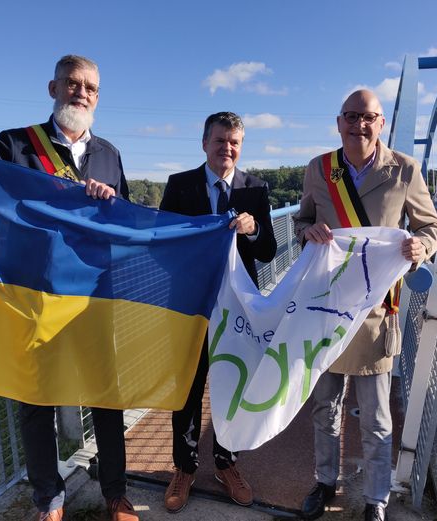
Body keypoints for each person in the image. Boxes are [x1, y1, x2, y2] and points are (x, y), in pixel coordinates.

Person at [0, 55, 136, 521]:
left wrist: (110, 204)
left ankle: (115, 491)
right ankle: (49, 499)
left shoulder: (109, 154)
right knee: (37, 399)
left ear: (98, 96)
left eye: (90, 87)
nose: (80, 92)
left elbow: (125, 219)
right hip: (35, 294)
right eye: (72, 83)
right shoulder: (14, 145)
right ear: (53, 88)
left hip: (93, 293)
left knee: (106, 396)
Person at [293, 90, 437, 521]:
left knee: (377, 418)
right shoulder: (319, 169)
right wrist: (309, 232)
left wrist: (422, 246)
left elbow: (432, 224)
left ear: (381, 124)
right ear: (338, 122)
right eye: (351, 117)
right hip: (325, 310)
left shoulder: (404, 169)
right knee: (325, 407)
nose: (359, 124)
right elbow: (302, 218)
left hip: (375, 311)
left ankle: (376, 498)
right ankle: (325, 482)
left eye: (369, 118)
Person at [159, 111, 277, 513]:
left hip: (237, 311)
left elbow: (268, 251)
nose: (227, 148)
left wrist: (254, 230)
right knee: (188, 393)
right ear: (204, 142)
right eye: (220, 140)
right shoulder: (179, 186)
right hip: (192, 307)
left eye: (234, 142)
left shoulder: (255, 189)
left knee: (232, 385)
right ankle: (185, 468)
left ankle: (227, 464)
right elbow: (163, 243)